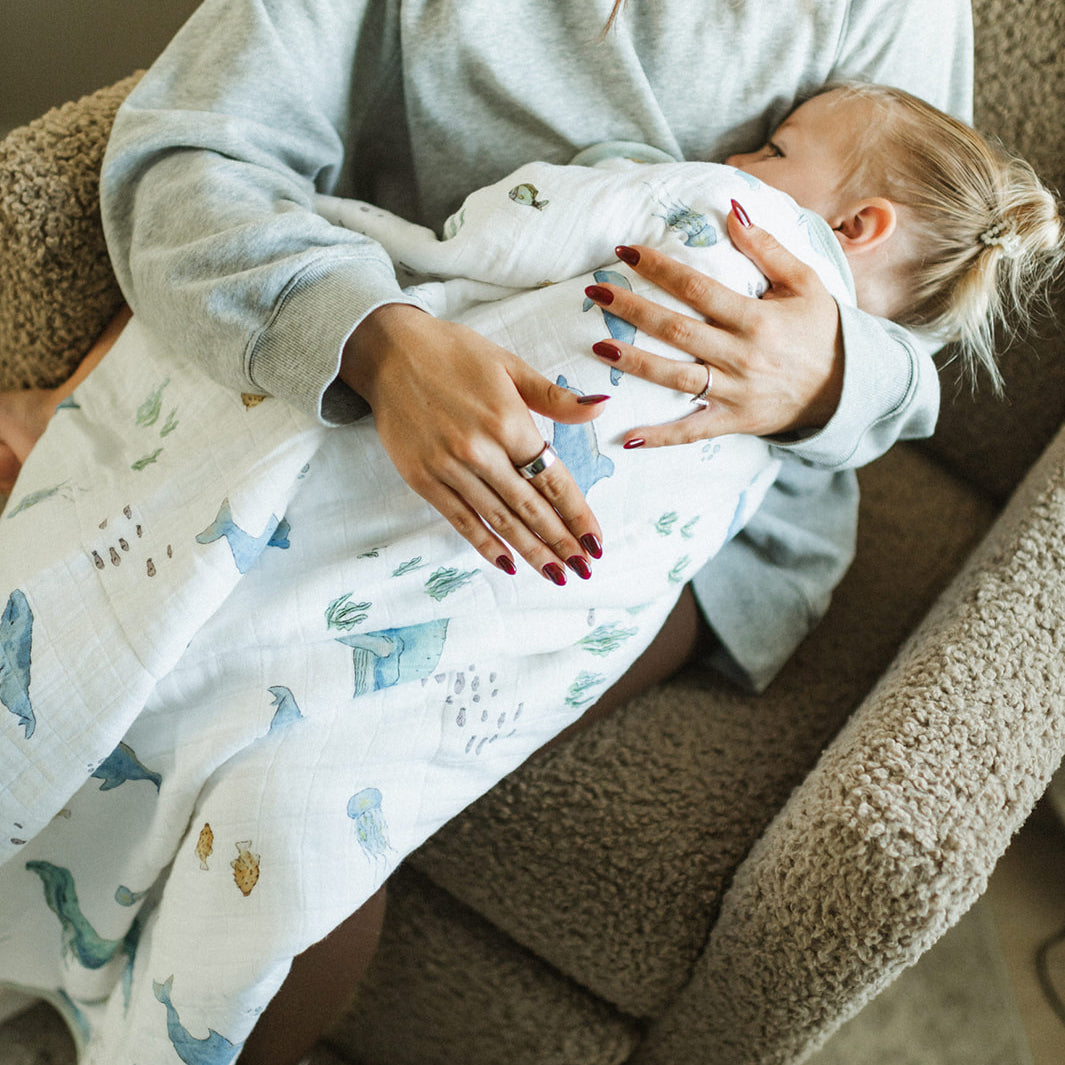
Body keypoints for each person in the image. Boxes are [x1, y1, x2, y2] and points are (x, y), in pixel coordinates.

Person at [2, 73, 1062, 1065]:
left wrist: (445, 244)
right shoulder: (777, 432)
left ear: (858, 224)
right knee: (338, 777)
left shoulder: (721, 211)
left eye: (774, 147)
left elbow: (517, 229)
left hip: (502, 514)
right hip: (539, 571)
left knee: (247, 597)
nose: (742, 153)